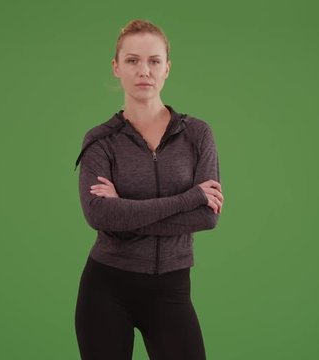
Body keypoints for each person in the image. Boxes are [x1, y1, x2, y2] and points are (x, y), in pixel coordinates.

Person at [73, 19, 224, 360]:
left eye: (154, 61)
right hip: (106, 290)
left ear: (167, 68)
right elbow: (98, 214)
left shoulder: (197, 135)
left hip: (172, 290)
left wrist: (125, 213)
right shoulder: (100, 141)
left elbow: (207, 217)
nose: (144, 70)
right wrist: (189, 197)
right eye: (132, 60)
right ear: (116, 67)